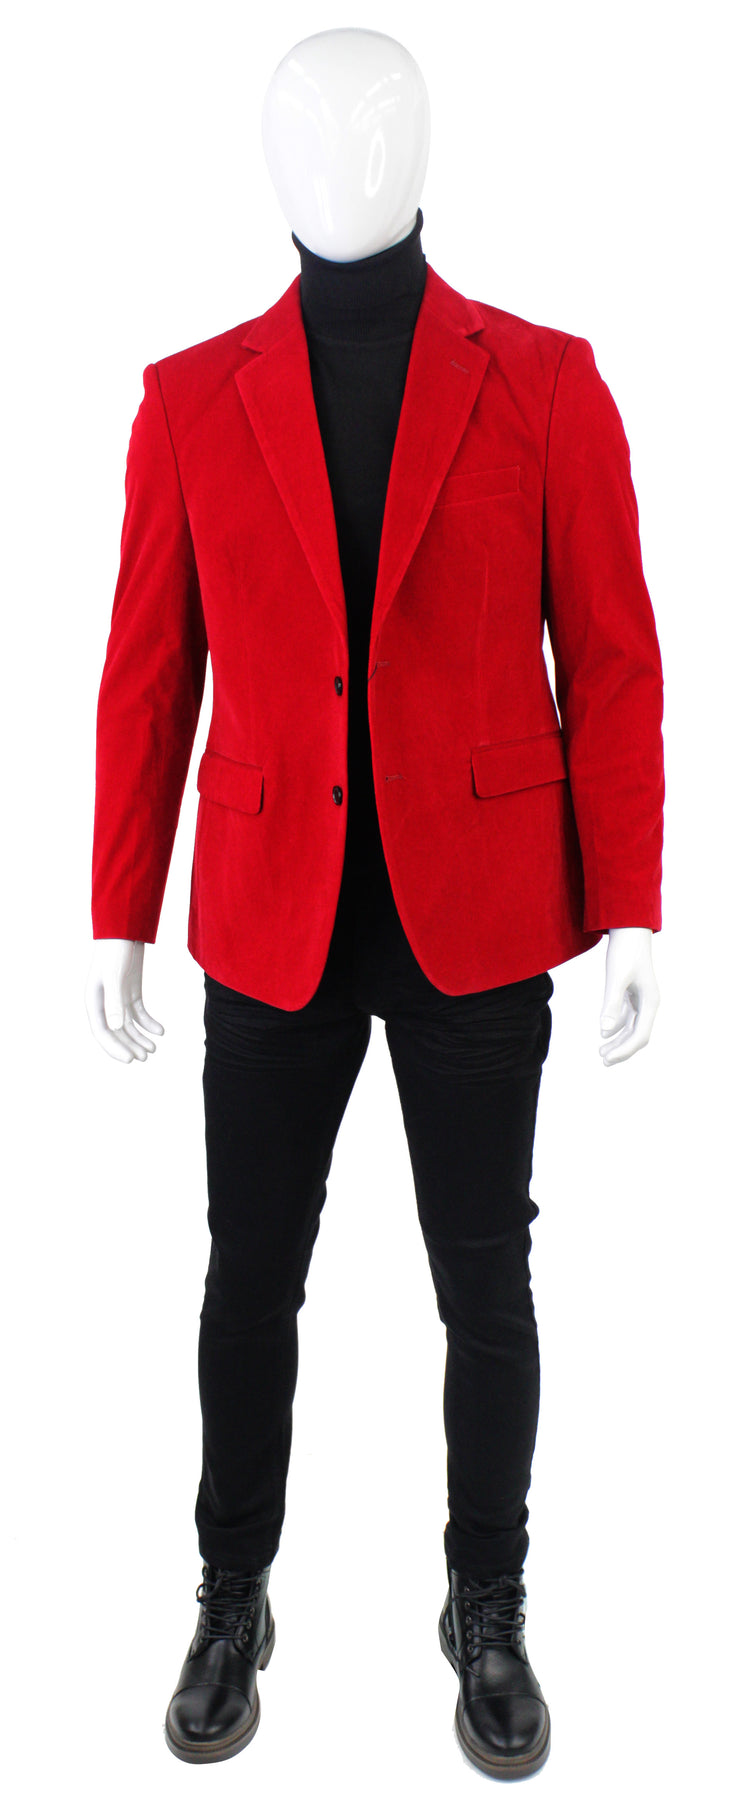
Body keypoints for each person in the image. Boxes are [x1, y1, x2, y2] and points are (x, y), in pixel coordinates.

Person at [85, 28, 665, 1781]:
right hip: (272, 908)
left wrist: (628, 903)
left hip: (476, 908)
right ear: (270, 160)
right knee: (247, 1276)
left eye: (377, 123)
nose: (345, 153)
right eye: (311, 128)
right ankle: (229, 1593)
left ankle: (486, 1606)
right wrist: (119, 909)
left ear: (424, 150)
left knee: (484, 1278)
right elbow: (149, 674)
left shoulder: (545, 380)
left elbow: (612, 657)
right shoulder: (190, 397)